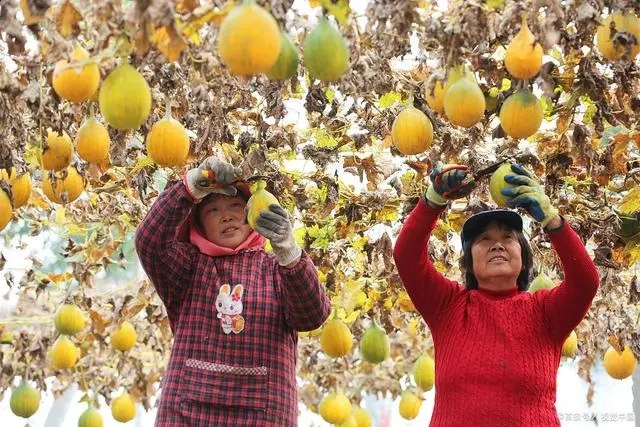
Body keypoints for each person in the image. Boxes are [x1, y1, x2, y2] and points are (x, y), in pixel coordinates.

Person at [393, 161, 600, 426]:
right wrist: (432, 200)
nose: (497, 245)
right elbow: (406, 257)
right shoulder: (448, 307)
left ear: (523, 258)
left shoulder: (545, 313)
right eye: (484, 240)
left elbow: (585, 282)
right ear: (468, 262)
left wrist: (551, 219)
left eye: (508, 238)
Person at [134, 156, 331, 426]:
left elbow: (312, 314)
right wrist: (190, 187)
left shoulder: (278, 269)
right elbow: (150, 242)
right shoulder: (188, 269)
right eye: (212, 210)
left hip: (264, 410)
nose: (226, 215)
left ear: (251, 214)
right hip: (189, 408)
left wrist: (288, 249)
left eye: (236, 205)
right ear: (198, 225)